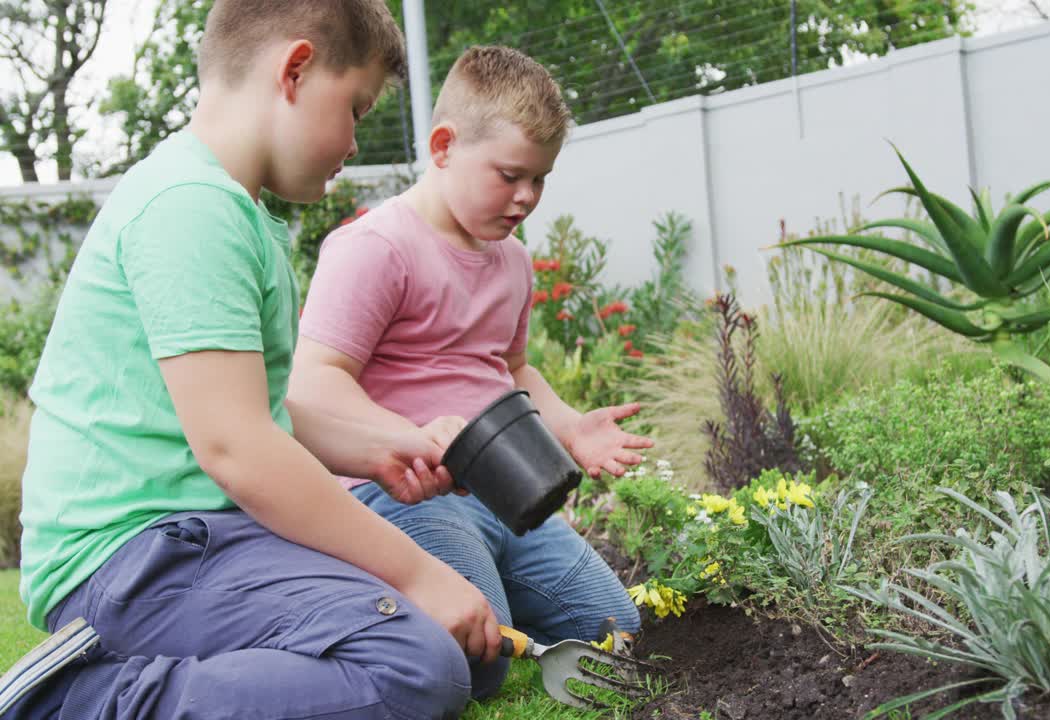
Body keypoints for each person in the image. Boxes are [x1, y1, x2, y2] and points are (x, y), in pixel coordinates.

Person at [0, 3, 500, 719]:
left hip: (199, 542)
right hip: (131, 563)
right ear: (294, 71)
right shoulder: (189, 206)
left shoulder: (231, 208)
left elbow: (251, 411)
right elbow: (236, 446)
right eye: (355, 108)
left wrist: (378, 448)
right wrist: (416, 572)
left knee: (462, 652)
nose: (355, 141)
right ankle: (74, 699)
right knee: (414, 667)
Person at [289, 45, 651, 698]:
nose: (526, 198)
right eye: (510, 175)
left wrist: (570, 427)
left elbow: (512, 369)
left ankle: (490, 583)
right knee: (476, 663)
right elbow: (315, 381)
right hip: (409, 498)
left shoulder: (510, 260)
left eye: (540, 179)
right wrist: (413, 434)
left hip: (510, 494)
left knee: (616, 631)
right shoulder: (376, 248)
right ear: (445, 145)